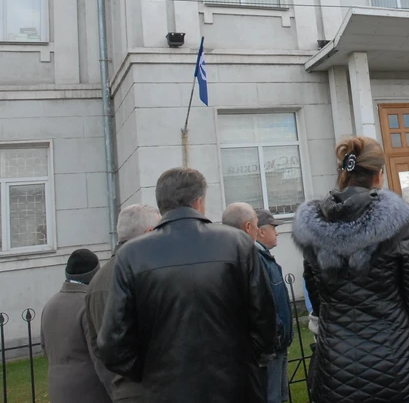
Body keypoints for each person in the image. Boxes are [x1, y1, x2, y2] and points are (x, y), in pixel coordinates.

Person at [97, 168, 276, 403]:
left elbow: (113, 343)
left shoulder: (131, 254)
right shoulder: (238, 243)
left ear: (161, 205)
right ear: (199, 202)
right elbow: (264, 320)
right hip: (233, 387)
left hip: (174, 389)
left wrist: (154, 372)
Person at [293, 136, 409, 403]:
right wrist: (403, 336)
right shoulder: (398, 225)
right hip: (397, 363)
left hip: (338, 365)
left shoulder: (315, 228)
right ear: (379, 176)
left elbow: (318, 301)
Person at [86, 204, 160, 403]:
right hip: (156, 389)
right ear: (150, 232)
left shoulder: (96, 281)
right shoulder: (148, 272)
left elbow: (97, 347)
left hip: (122, 391)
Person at [223, 203, 293, 403]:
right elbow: (261, 301)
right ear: (257, 230)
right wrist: (277, 332)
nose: (277, 234)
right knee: (270, 397)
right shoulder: (254, 257)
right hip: (269, 344)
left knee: (278, 396)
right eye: (274, 228)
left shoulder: (261, 256)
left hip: (277, 341)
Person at [41, 249, 111, 403]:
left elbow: (45, 348)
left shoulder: (50, 305)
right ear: (94, 274)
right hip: (90, 392)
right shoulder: (87, 304)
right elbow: (100, 356)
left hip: (57, 391)